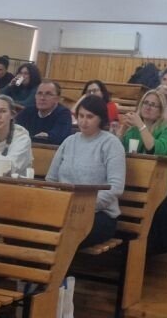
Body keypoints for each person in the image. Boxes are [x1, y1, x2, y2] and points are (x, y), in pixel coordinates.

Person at [45, 95, 125, 247]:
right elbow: (51, 179)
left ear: (100, 119)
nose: (83, 121)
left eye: (89, 117)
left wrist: (83, 207)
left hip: (100, 215)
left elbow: (116, 187)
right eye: (81, 116)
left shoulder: (111, 144)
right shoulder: (69, 141)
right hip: (64, 209)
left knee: (65, 235)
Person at [120, 88, 167, 255]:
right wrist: (122, 130)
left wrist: (141, 125)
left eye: (153, 105)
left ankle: (144, 249)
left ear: (160, 111)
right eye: (145, 103)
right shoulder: (132, 130)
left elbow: (155, 149)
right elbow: (118, 151)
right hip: (135, 180)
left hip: (161, 185)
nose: (148, 107)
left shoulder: (166, 129)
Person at [17, 80, 72, 145]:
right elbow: (15, 130)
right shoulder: (27, 111)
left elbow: (59, 137)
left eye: (48, 94)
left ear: (57, 99)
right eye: (39, 93)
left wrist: (47, 136)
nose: (42, 98)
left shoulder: (63, 114)